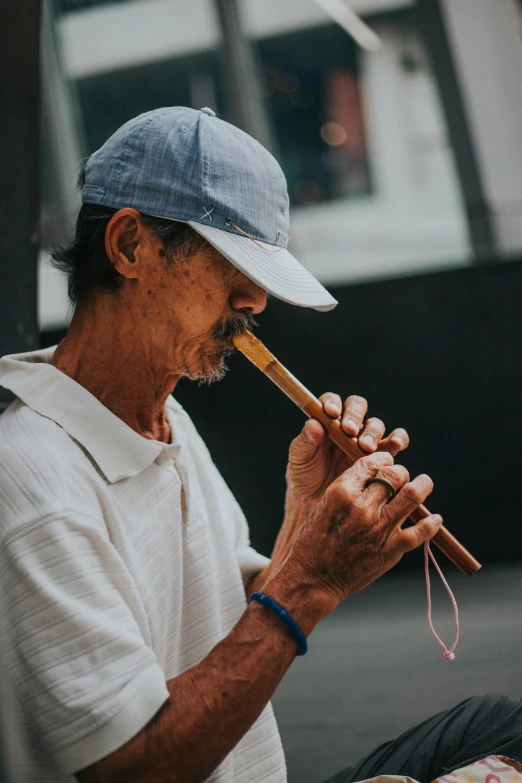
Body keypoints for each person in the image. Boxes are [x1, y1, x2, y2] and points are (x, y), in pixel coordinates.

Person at [0, 107, 520, 783]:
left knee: (502, 723)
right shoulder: (32, 481)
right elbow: (133, 769)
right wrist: (309, 582)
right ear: (130, 246)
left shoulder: (167, 422)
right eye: (230, 263)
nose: (256, 298)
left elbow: (233, 618)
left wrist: (308, 526)